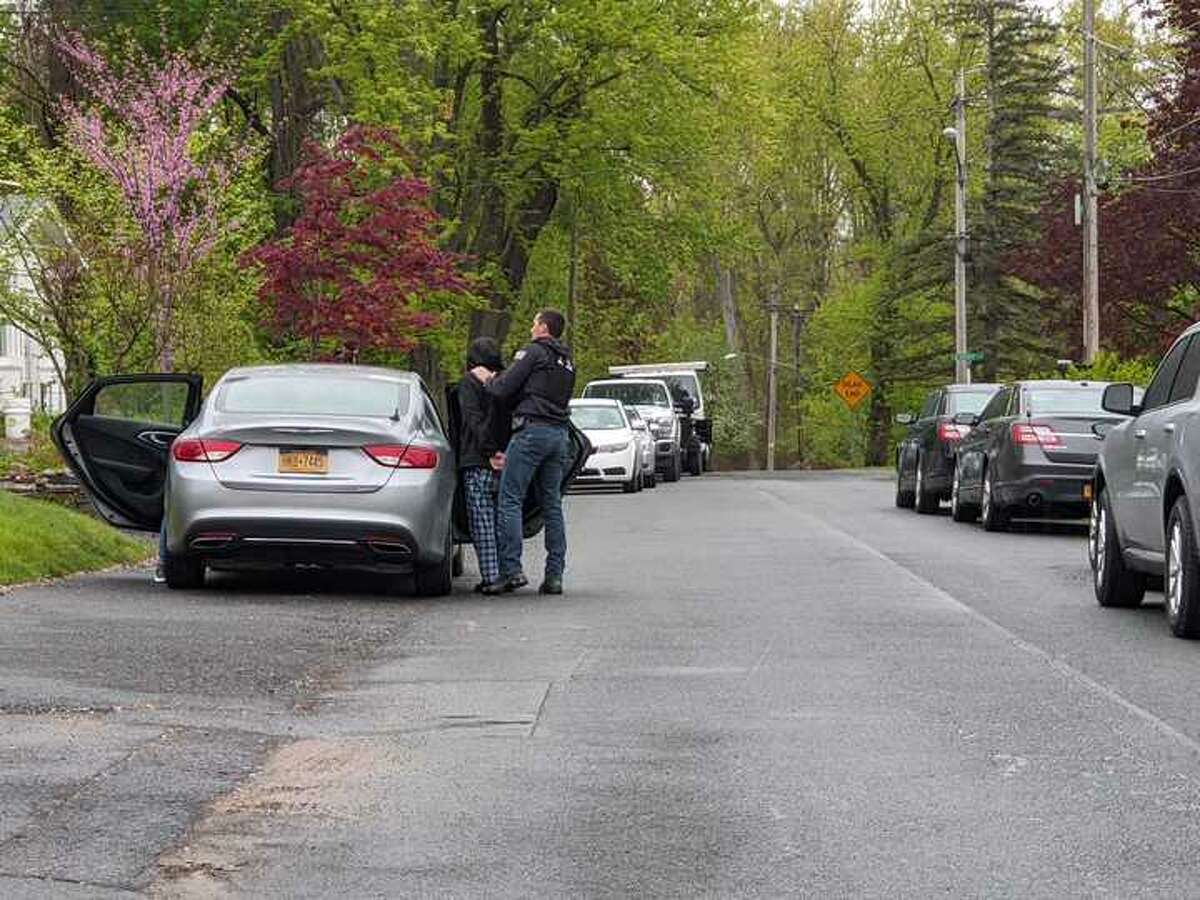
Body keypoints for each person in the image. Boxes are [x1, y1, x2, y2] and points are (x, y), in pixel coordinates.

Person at [471, 309, 575, 595]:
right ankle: (554, 576)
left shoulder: (533, 352)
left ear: (543, 327)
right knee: (551, 504)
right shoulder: (567, 361)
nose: (531, 328)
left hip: (531, 433)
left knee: (510, 499)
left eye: (533, 322)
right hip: (559, 436)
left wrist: (486, 378)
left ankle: (511, 571)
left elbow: (503, 389)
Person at [455, 337, 510, 595]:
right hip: (507, 460)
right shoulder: (506, 381)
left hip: (478, 460)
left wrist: (489, 451)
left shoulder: (469, 383)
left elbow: (473, 420)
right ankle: (510, 571)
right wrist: (502, 451)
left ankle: (491, 577)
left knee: (482, 521)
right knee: (505, 518)